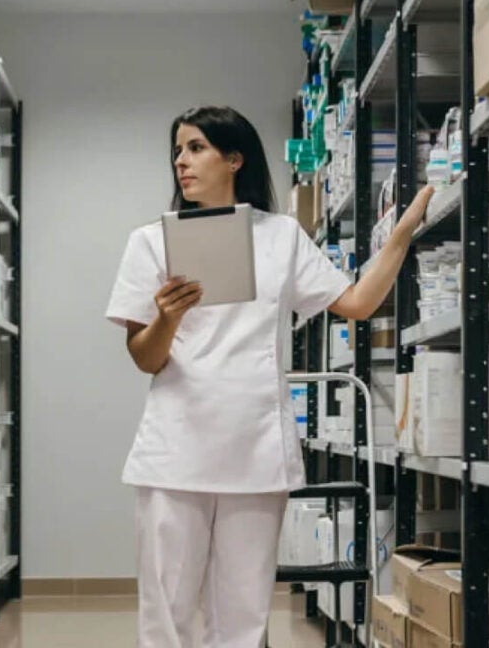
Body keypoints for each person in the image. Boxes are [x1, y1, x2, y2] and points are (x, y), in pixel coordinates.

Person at [106, 105, 434, 648]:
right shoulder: (150, 242)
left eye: (195, 148)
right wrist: (167, 317)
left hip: (255, 450)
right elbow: (145, 357)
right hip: (175, 448)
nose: (180, 162)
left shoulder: (281, 236)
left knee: (244, 612)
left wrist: (398, 236)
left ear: (234, 159)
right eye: (178, 150)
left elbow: (356, 301)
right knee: (166, 612)